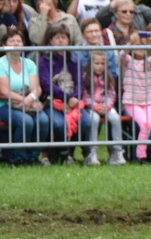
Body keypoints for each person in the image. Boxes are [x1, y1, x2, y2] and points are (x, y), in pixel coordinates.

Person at [36, 21, 88, 164]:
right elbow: (47, 84)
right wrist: (66, 98)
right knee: (59, 124)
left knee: (86, 122)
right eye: (57, 37)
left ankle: (71, 152)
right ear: (50, 40)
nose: (61, 41)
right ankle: (61, 154)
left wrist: (74, 98)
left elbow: (80, 83)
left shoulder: (74, 60)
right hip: (51, 102)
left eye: (64, 37)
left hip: (73, 102)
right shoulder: (44, 61)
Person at [0, 28, 50, 164]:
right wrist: (25, 100)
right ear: (4, 45)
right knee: (25, 121)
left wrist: (30, 99)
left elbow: (37, 88)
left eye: (19, 41)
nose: (16, 43)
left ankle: (33, 157)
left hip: (28, 103)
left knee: (43, 120)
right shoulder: (1, 64)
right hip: (4, 105)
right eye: (12, 41)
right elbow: (3, 92)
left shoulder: (29, 63)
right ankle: (18, 157)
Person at [79, 20, 125, 165]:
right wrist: (95, 106)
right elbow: (84, 91)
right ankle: (91, 153)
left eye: (96, 31)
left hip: (106, 103)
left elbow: (112, 89)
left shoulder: (108, 52)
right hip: (90, 104)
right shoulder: (79, 54)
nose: (94, 34)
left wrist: (107, 105)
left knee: (115, 118)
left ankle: (117, 152)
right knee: (94, 119)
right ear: (83, 35)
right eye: (89, 31)